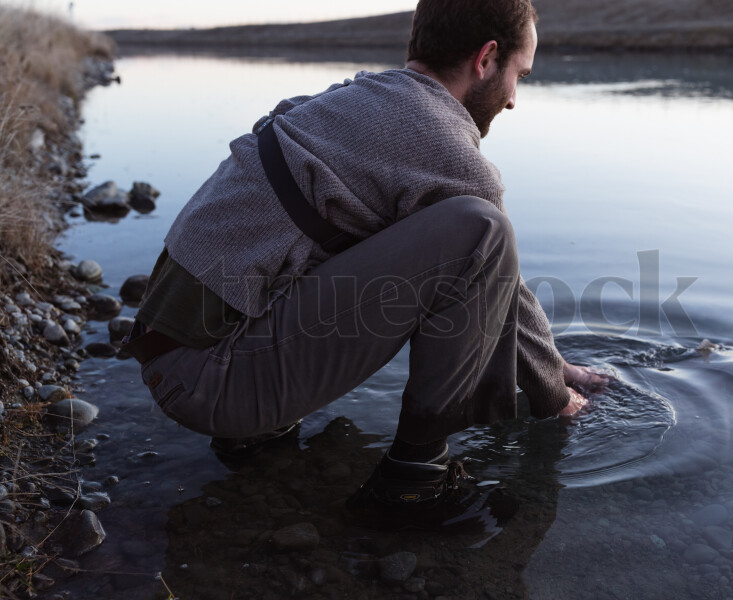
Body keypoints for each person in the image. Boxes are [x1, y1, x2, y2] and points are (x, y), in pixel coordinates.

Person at [125, 0, 607, 523]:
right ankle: (416, 479)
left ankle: (256, 434)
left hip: (174, 351)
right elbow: (499, 277)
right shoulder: (440, 140)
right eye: (521, 75)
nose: (513, 99)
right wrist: (554, 394)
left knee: (409, 232)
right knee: (480, 230)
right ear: (486, 58)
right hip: (207, 382)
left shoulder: (356, 102)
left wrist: (553, 362)